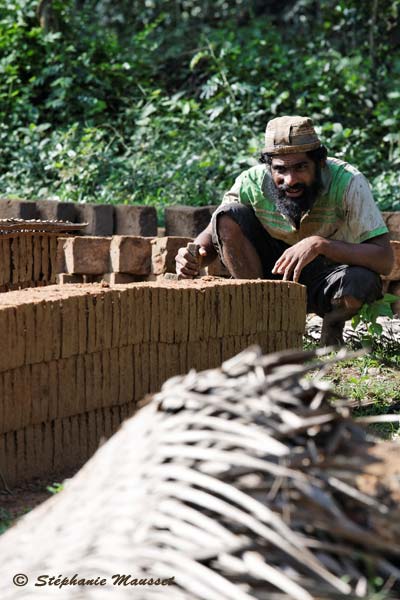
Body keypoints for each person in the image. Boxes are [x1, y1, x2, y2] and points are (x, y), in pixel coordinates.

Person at [175, 115, 394, 345]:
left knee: (362, 281)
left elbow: (384, 260)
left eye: (300, 167)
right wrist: (193, 257)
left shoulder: (348, 182)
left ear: (320, 163)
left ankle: (331, 328)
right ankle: (263, 321)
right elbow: (216, 232)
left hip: (327, 277)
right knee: (228, 214)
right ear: (269, 167)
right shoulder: (251, 182)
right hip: (269, 276)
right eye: (280, 169)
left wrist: (321, 245)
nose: (290, 180)